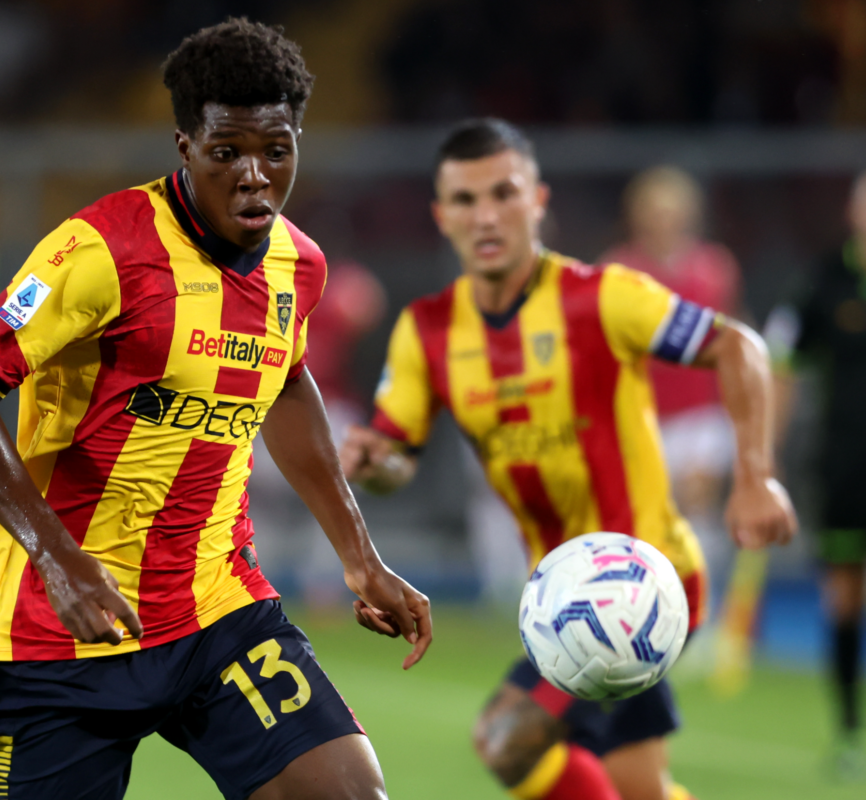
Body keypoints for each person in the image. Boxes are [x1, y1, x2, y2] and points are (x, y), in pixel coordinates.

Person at [0, 18, 431, 800]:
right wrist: (58, 558)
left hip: (216, 612)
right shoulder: (99, 252)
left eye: (277, 150)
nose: (255, 176)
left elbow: (287, 382)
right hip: (60, 627)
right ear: (184, 146)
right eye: (228, 152)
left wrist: (359, 556)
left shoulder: (301, 266)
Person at [340, 118, 796, 800]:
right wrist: (375, 464)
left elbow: (739, 346)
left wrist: (756, 476)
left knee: (509, 737)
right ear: (441, 215)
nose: (486, 215)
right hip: (559, 594)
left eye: (504, 192)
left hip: (643, 576)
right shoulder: (427, 331)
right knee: (636, 783)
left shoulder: (602, 296)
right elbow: (396, 459)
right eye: (466, 200)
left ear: (538, 201)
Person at [768, 170, 866, 780]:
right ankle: (850, 731)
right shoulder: (825, 281)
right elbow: (782, 363)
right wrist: (764, 455)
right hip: (846, 465)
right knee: (845, 597)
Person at [602, 168, 742, 531]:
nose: (663, 220)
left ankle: (699, 586)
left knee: (697, 512)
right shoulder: (616, 270)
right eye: (654, 210)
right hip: (642, 412)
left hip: (700, 412)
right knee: (644, 516)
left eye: (671, 210)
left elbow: (732, 339)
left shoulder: (714, 267)